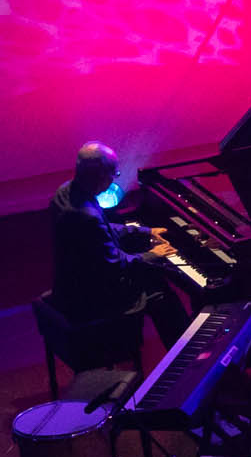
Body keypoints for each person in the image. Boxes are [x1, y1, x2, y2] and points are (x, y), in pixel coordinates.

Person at [48, 141, 190, 348]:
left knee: (148, 273)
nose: (114, 179)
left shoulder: (65, 192)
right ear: (102, 176)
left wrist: (144, 231)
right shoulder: (87, 216)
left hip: (69, 283)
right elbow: (115, 265)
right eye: (114, 174)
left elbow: (103, 230)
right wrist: (154, 254)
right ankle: (184, 355)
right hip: (89, 298)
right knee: (159, 292)